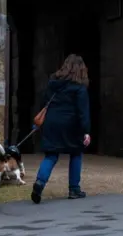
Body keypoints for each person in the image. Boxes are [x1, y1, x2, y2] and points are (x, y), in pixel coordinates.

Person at [31, 54, 92, 204]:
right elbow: (83, 112)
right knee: (76, 153)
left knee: (51, 155)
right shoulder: (80, 88)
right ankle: (74, 189)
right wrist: (86, 131)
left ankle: (40, 183)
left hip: (52, 122)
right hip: (71, 124)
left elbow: (44, 102)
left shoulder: (53, 84)